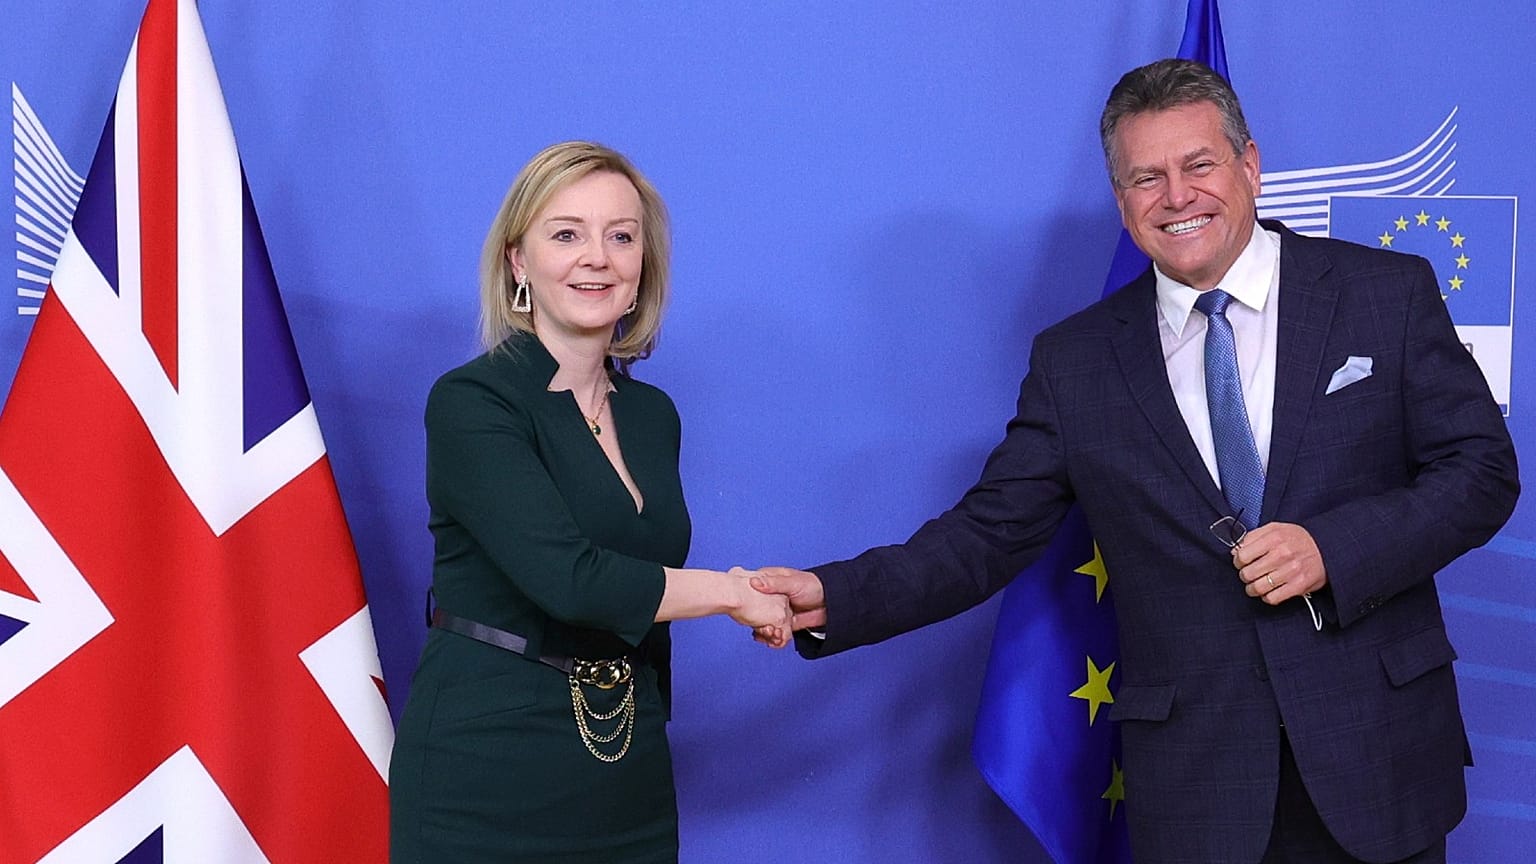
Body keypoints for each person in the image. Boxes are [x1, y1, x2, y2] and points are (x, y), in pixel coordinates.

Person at [752, 59, 1519, 864]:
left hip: (1379, 760)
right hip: (1198, 789)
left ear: (1249, 165)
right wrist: (833, 595)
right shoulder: (1075, 361)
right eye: (1146, 178)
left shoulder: (1384, 292)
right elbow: (985, 535)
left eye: (1198, 165)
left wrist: (1334, 548)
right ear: (1122, 203)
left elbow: (1480, 471)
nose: (1177, 197)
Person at [389, 140, 791, 864]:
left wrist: (651, 726)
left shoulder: (652, 415)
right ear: (519, 262)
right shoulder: (473, 402)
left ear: (642, 269)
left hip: (624, 768)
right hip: (486, 772)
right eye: (566, 233)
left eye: (621, 236)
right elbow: (571, 580)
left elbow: (643, 602)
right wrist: (734, 594)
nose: (596, 257)